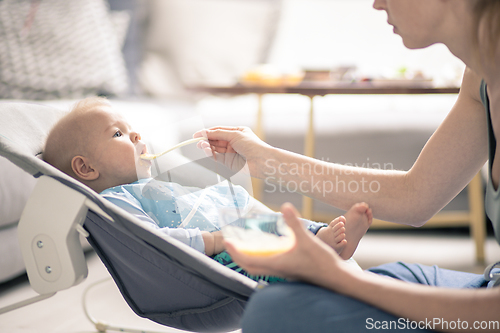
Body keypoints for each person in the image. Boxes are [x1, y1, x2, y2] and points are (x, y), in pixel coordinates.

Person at [193, 0, 500, 331]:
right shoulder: (480, 74)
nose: (377, 3)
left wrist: (334, 275)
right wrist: (267, 160)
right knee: (374, 281)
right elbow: (415, 196)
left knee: (278, 311)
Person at [42, 96, 373, 283]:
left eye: (133, 130)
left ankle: (321, 239)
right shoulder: (117, 201)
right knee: (262, 256)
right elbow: (155, 241)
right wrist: (212, 240)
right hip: (217, 258)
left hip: (232, 231)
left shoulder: (149, 186)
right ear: (86, 168)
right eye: (118, 134)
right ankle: (311, 260)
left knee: (277, 225)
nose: (137, 137)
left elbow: (196, 207)